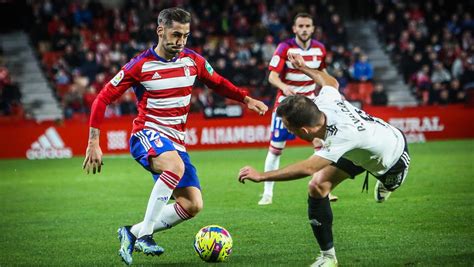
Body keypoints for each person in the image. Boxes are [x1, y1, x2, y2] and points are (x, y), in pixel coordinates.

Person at [82, 8, 268, 266]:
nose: (181, 41)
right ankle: (146, 235)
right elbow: (103, 97)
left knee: (192, 204)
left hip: (176, 142)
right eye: (176, 34)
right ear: (160, 31)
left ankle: (132, 232)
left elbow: (218, 82)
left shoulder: (193, 61)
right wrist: (94, 142)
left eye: (186, 36)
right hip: (146, 134)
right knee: (175, 166)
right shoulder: (140, 65)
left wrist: (246, 99)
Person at [238, 53, 410, 267]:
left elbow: (308, 167)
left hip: (393, 154)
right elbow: (331, 82)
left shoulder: (342, 136)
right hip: (358, 148)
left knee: (382, 179)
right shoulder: (322, 103)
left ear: (303, 130)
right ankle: (328, 257)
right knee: (318, 186)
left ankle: (389, 183)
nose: (289, 133)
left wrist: (262, 176)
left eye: (290, 129)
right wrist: (304, 68)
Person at [259, 12, 337, 205]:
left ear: (312, 28)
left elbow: (322, 72)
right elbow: (272, 76)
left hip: (311, 105)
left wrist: (331, 87)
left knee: (322, 145)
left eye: (307, 26)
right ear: (294, 29)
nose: (304, 29)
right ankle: (267, 193)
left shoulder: (320, 49)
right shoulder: (285, 47)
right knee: (276, 149)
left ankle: (323, 186)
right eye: (300, 26)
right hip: (285, 106)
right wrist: (284, 87)